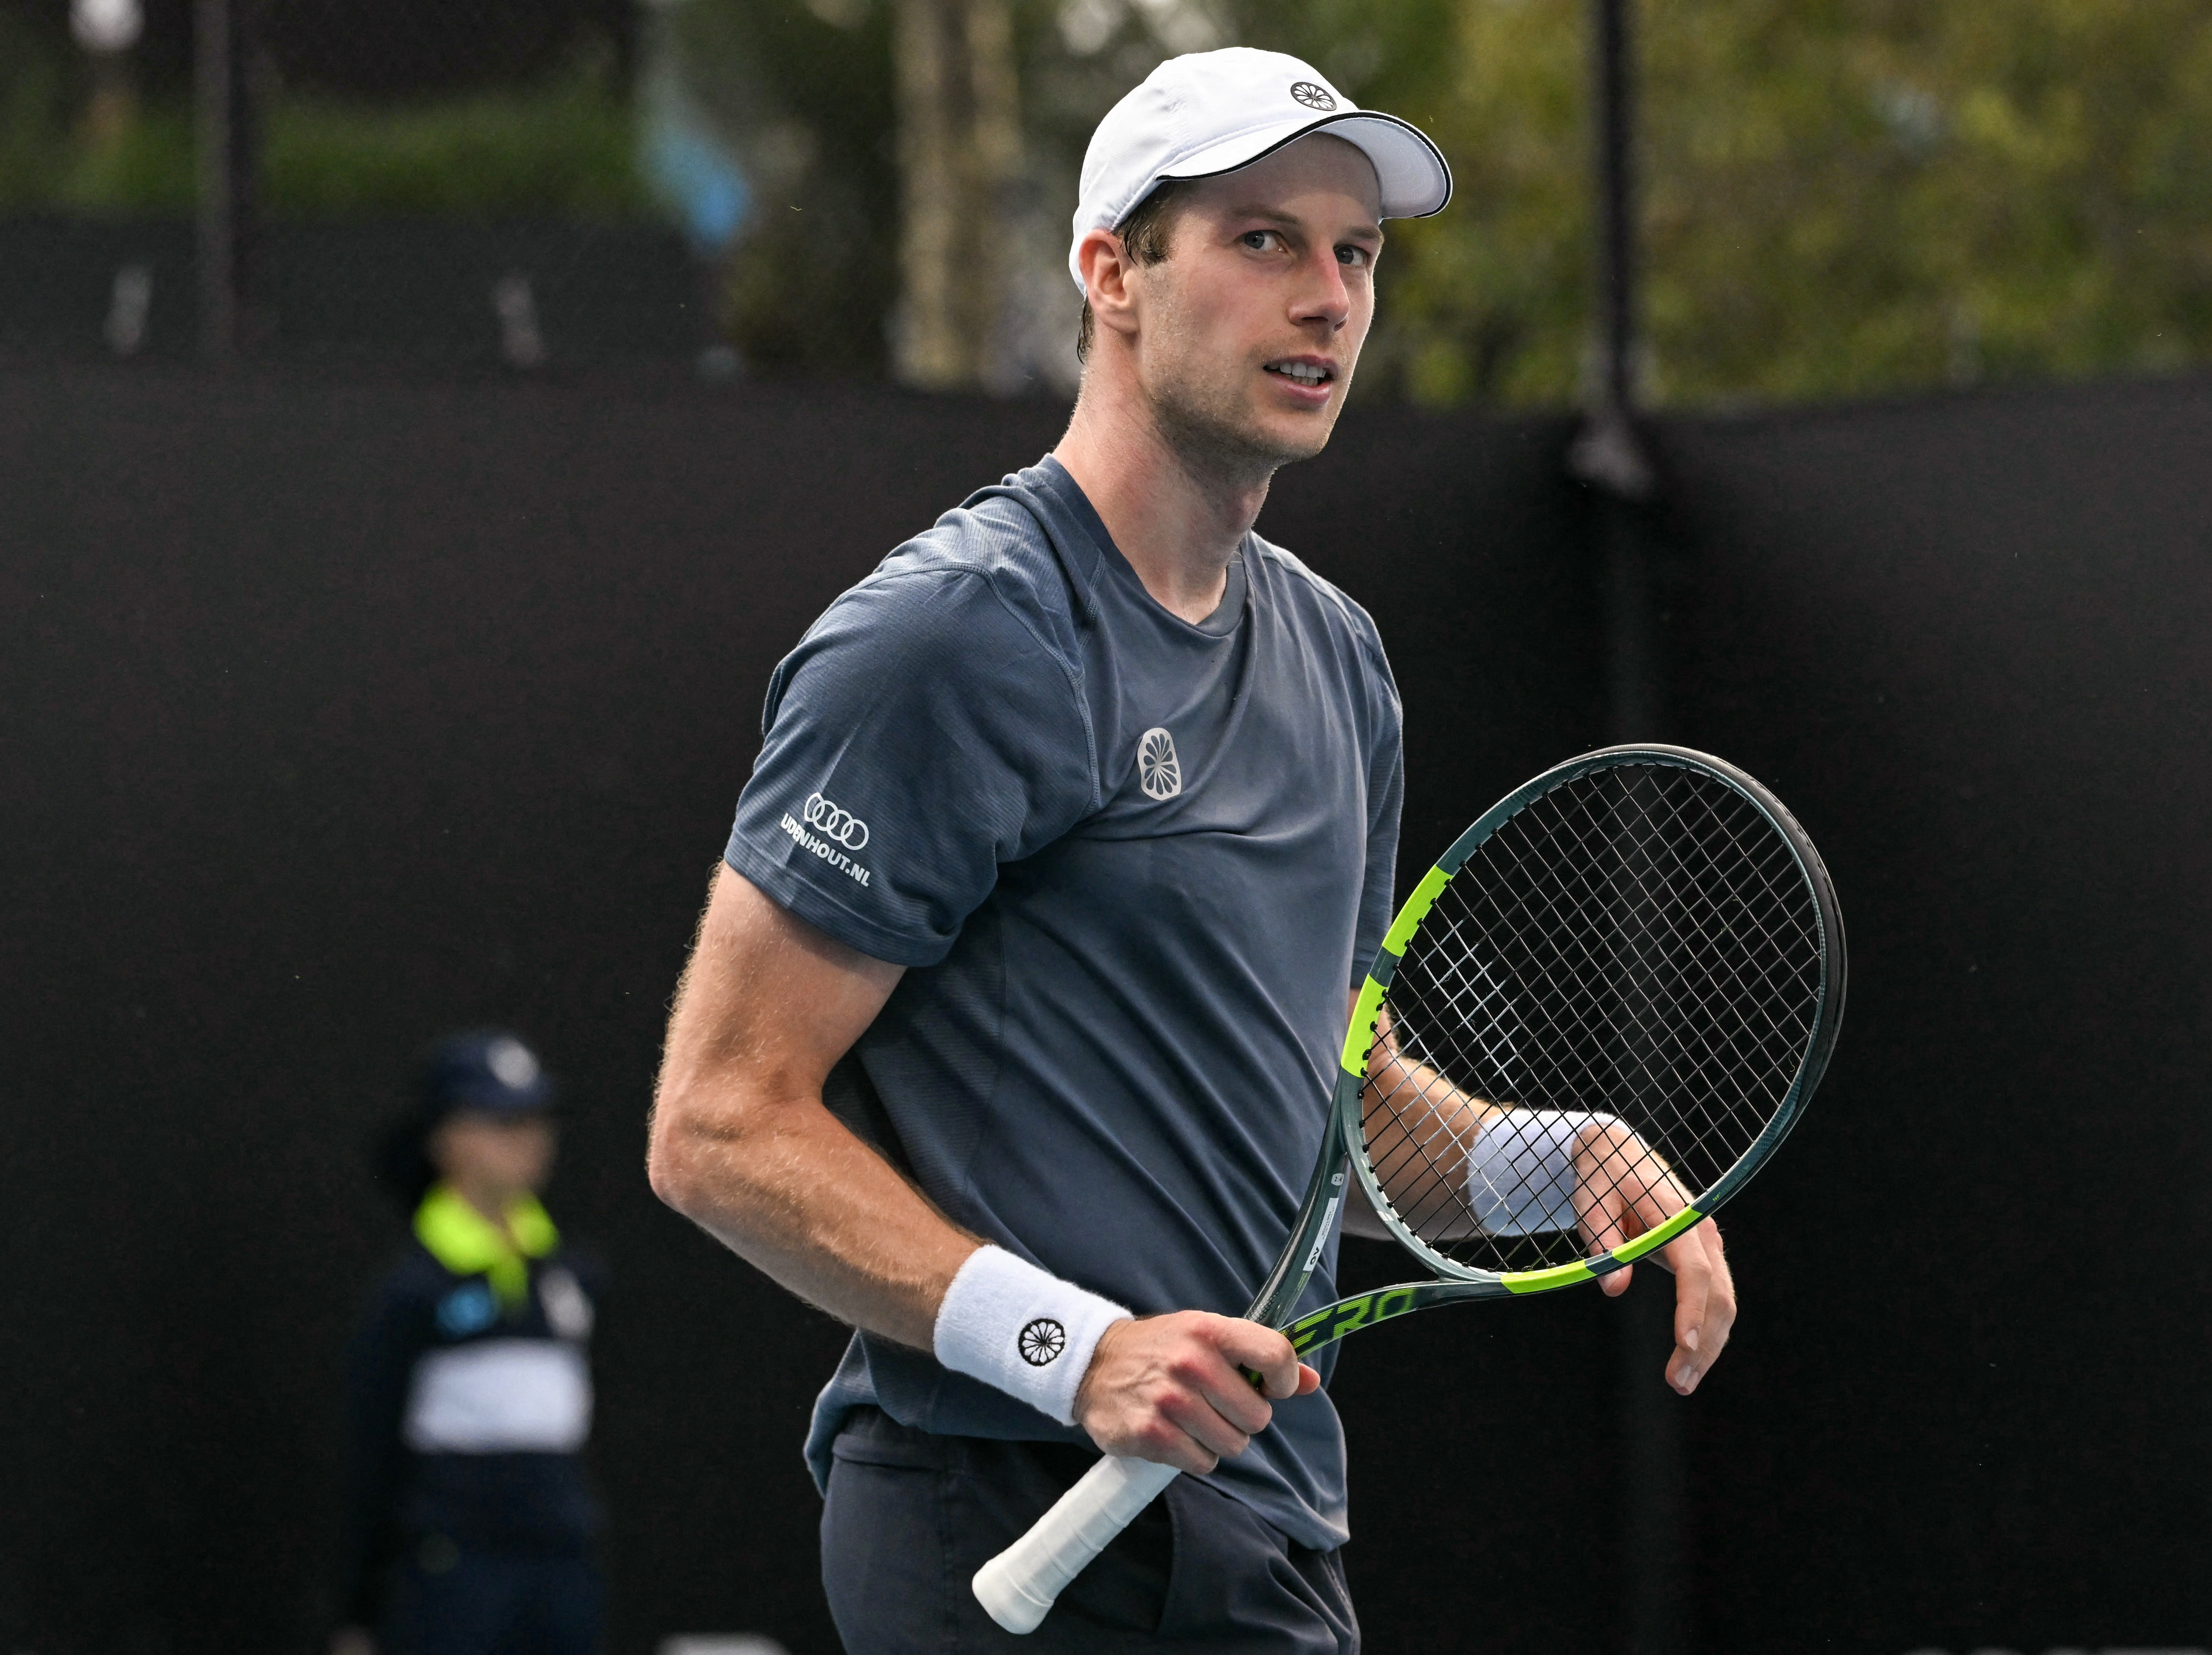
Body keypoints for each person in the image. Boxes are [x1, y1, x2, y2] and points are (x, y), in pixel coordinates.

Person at [645, 46, 1737, 1653]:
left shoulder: (1340, 664)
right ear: (1112, 273)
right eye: (1263, 239)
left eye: (1356, 252)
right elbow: (720, 1122)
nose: (1328, 297)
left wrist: (1551, 1159)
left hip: (1269, 1531)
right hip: (997, 1510)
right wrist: (1072, 1350)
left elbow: (1333, 1105)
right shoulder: (954, 636)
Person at [337, 1031, 604, 1655]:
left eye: (537, 1120)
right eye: (503, 1121)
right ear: (446, 1138)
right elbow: (373, 1454)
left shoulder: (575, 1276)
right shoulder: (410, 1292)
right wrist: (358, 1607)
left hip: (562, 1563)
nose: (529, 1139)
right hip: (452, 1572)